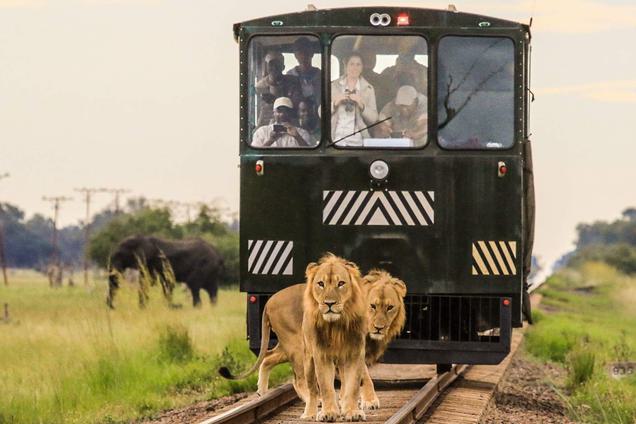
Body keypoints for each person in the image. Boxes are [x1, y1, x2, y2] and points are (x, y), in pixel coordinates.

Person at [331, 53, 378, 146]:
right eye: (351, 64)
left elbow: (374, 119)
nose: (355, 67)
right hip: (335, 139)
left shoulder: (368, 89)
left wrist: (362, 105)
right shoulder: (334, 86)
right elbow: (321, 113)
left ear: (362, 67)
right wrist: (334, 103)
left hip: (357, 142)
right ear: (346, 66)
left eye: (358, 64)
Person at [256, 50, 302, 126]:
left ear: (283, 67)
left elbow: (297, 104)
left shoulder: (293, 81)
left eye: (277, 64)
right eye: (271, 64)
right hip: (267, 121)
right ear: (266, 67)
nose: (274, 67)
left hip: (290, 120)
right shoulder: (260, 86)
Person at [286, 37, 321, 104]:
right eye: (300, 52)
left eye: (306, 52)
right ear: (295, 55)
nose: (303, 56)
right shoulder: (289, 76)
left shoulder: (321, 76)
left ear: (312, 53)